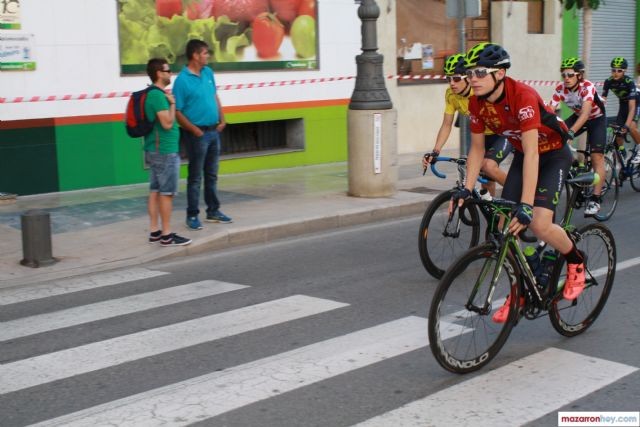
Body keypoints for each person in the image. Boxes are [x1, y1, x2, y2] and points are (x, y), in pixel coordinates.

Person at [452, 42, 585, 323]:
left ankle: (576, 261)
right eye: (469, 74)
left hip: (552, 155)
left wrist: (526, 204)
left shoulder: (522, 95)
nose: (471, 79)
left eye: (478, 72)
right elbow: (477, 149)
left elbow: (534, 151)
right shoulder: (476, 102)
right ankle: (520, 292)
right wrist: (466, 188)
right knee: (502, 230)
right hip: (526, 154)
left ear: (499, 74)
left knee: (538, 223)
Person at [423, 53, 512, 196]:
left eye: (457, 78)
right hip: (481, 135)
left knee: (488, 166)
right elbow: (446, 124)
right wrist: (436, 150)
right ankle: (491, 213)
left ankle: (520, 194)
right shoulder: (451, 94)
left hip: (501, 133)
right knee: (485, 179)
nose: (452, 83)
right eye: (448, 78)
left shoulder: (479, 92)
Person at [173, 39, 232, 230]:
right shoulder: (182, 81)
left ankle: (213, 211)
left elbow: (214, 96)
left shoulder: (208, 72)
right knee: (195, 177)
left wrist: (222, 119)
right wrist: (194, 130)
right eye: (205, 53)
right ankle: (192, 215)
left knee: (212, 175)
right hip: (196, 134)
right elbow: (178, 111)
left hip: (214, 131)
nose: (207, 56)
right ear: (195, 56)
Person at [548, 57, 607, 216]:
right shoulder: (561, 88)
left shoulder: (587, 87)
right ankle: (573, 165)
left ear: (579, 75)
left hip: (596, 118)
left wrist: (571, 132)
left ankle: (595, 198)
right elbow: (549, 111)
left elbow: (586, 113)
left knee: (596, 157)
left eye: (570, 75)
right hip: (578, 116)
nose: (566, 78)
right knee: (555, 137)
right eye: (564, 75)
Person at [144, 58, 192, 247]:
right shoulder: (157, 96)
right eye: (167, 70)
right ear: (159, 73)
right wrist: (172, 103)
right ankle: (166, 234)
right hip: (164, 151)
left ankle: (155, 231)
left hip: (154, 149)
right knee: (166, 193)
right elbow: (167, 123)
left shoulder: (151, 94)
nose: (170, 73)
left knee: (155, 191)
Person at [601, 56, 640, 164]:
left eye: (619, 71)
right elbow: (603, 101)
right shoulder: (608, 81)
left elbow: (632, 107)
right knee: (617, 133)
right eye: (613, 70)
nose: (616, 73)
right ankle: (622, 152)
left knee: (631, 127)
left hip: (636, 102)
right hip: (623, 104)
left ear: (624, 71)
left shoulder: (629, 82)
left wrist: (626, 125)